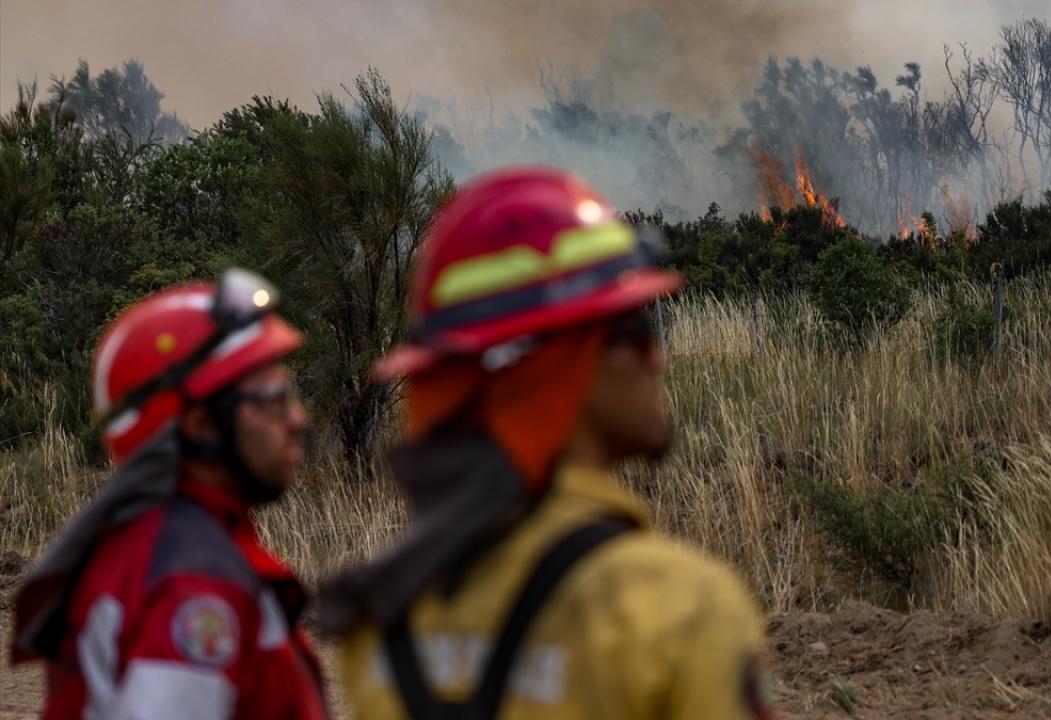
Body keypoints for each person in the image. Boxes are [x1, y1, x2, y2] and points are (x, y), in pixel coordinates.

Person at [318, 167, 773, 719]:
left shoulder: (384, 620)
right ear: (564, 365)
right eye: (635, 328)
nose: (658, 356)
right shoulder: (678, 612)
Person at [9, 269, 329, 720]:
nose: (297, 419)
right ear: (199, 424)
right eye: (273, 400)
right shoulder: (191, 584)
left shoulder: (158, 546)